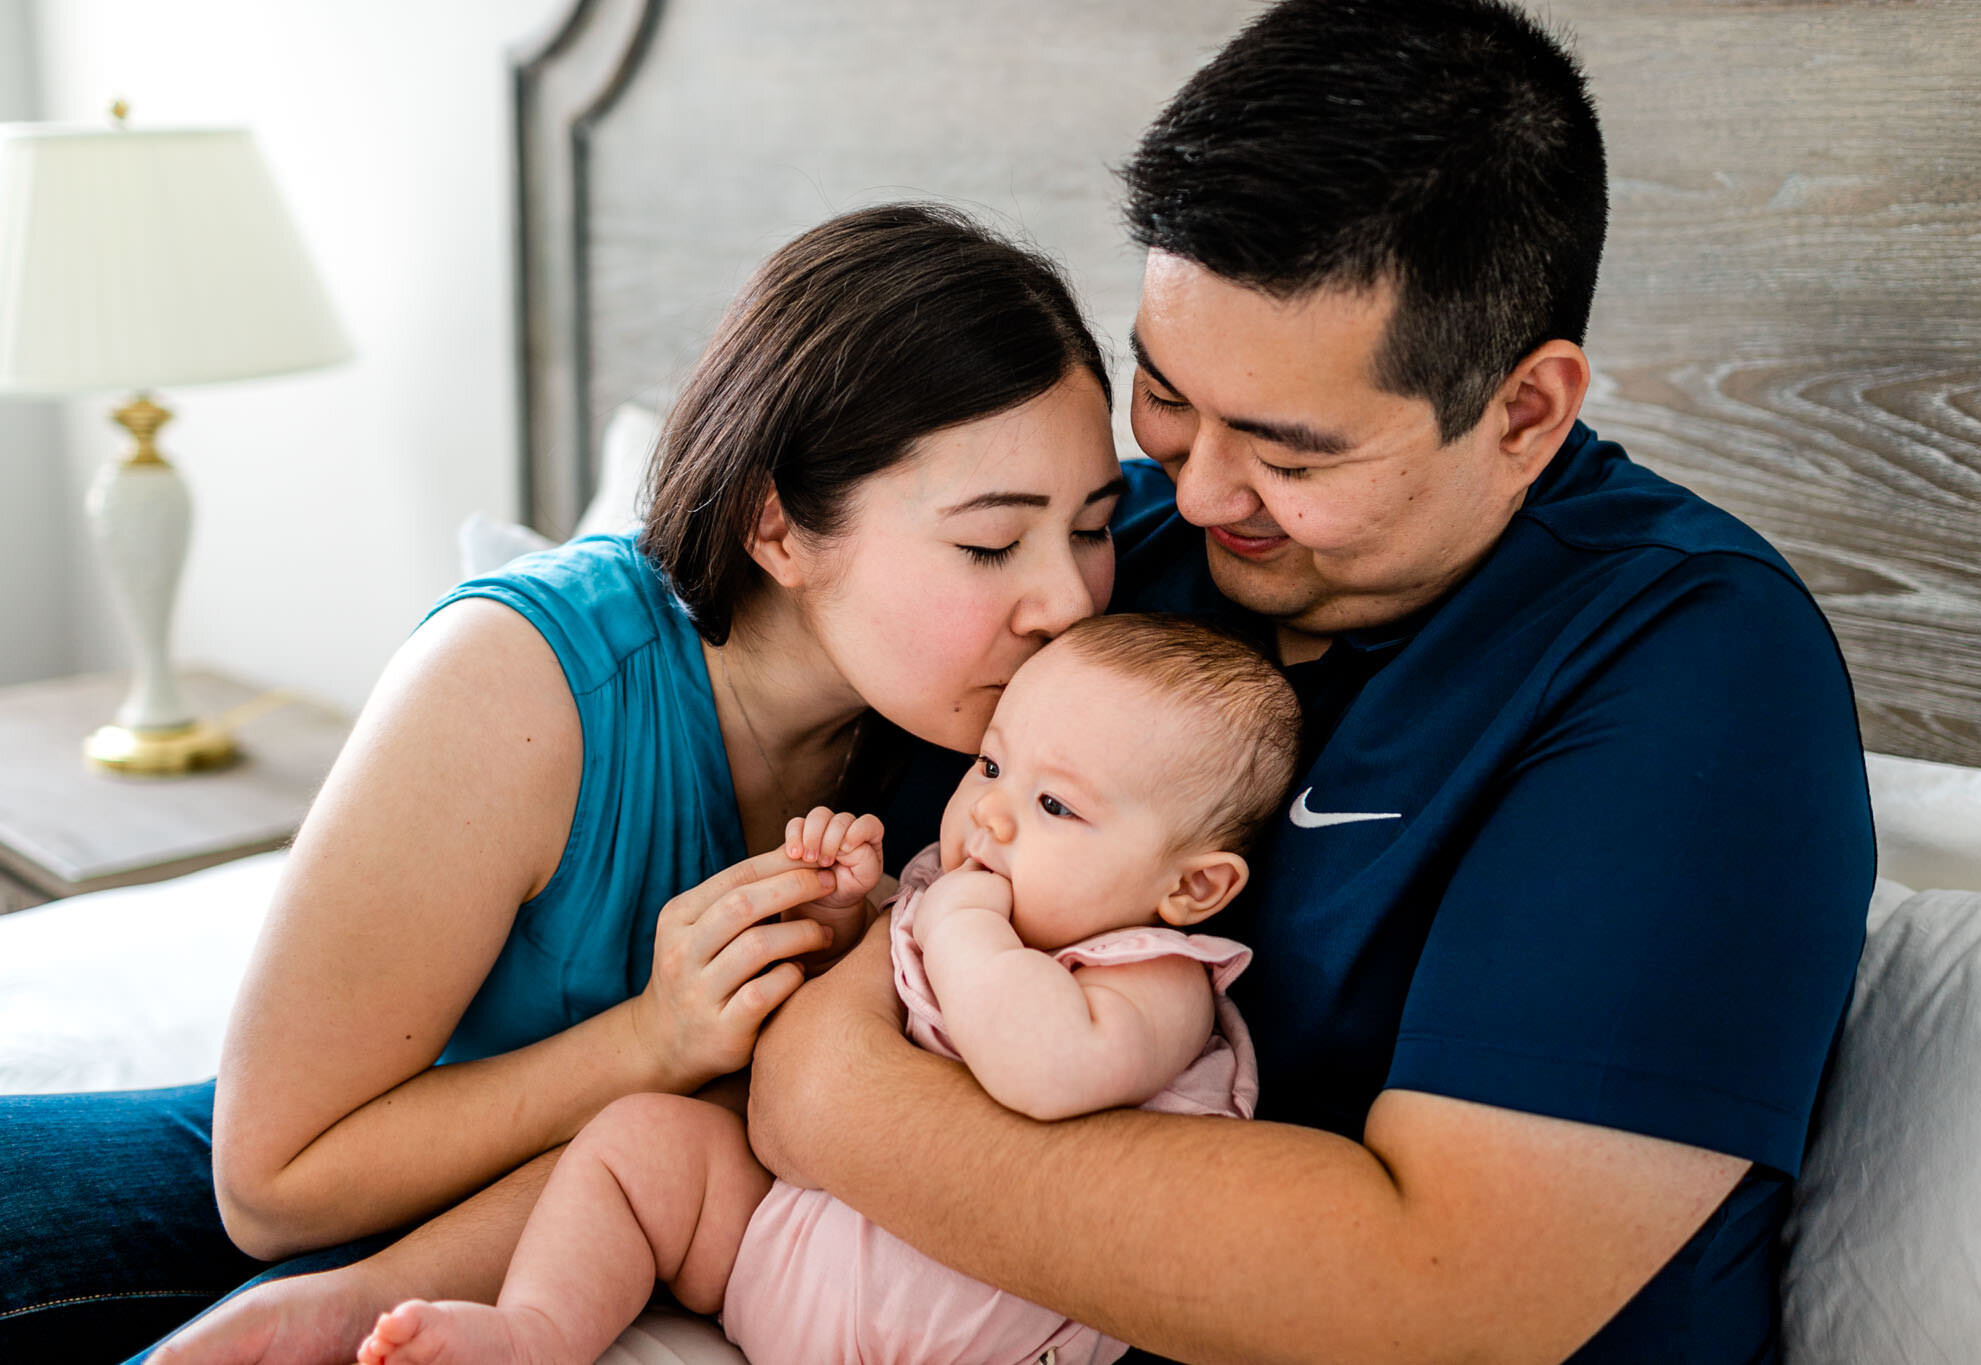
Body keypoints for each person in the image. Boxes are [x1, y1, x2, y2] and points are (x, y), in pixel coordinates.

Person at [741, 3, 1875, 1363]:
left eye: (1292, 451)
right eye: (1166, 394)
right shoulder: (1109, 558)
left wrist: (833, 1104)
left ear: (1524, 413)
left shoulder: (1685, 665)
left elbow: (1441, 1293)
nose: (1201, 489)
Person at [0, 201, 1126, 1363]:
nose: (1068, 602)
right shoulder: (522, 683)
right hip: (331, 1155)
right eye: (991, 545)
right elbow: (273, 1186)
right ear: (775, 526)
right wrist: (650, 1039)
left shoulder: (1021, 755)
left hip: (540, 1231)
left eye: (1095, 527)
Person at [352, 613, 1300, 1365]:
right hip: (783, 1254)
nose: (993, 814)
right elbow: (846, 1005)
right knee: (638, 1143)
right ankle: (537, 1332)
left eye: (1056, 805)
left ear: (1192, 887)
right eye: (993, 765)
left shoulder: (1155, 975)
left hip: (972, 1329)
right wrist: (848, 913)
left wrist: (952, 922)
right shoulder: (946, 888)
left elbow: (1043, 1067)